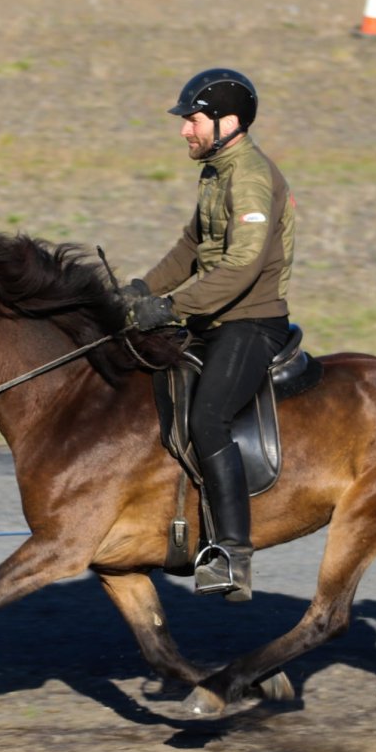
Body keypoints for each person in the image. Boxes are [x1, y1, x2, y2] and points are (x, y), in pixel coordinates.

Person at [123, 67, 295, 602]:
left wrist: (169, 306)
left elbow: (242, 267)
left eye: (192, 120)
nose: (184, 131)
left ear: (229, 123)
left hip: (250, 323)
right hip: (210, 319)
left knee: (207, 417)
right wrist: (136, 293)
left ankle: (232, 555)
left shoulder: (250, 177)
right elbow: (190, 248)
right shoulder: (216, 172)